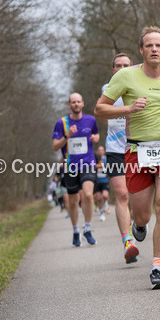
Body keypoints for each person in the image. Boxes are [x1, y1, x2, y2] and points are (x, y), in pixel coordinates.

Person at [96, 27, 160, 289]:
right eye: (149, 45)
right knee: (141, 215)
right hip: (136, 150)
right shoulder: (126, 76)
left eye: (158, 45)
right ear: (141, 50)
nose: (154, 49)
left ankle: (157, 267)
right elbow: (100, 108)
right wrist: (128, 108)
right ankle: (138, 226)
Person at [102, 53, 139, 263]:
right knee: (122, 194)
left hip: (137, 146)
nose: (122, 68)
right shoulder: (107, 90)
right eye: (118, 65)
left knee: (136, 194)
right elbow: (105, 111)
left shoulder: (142, 85)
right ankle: (127, 242)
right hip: (115, 149)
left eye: (126, 65)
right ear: (113, 69)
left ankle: (138, 223)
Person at [52, 93, 99, 247]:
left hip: (88, 163)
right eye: (73, 102)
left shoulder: (90, 120)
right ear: (69, 105)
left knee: (87, 194)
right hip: (70, 166)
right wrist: (67, 136)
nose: (76, 104)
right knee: (73, 201)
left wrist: (96, 138)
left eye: (78, 101)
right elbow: (55, 146)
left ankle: (87, 228)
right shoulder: (62, 123)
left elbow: (96, 134)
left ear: (83, 103)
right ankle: (75, 231)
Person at [93, 146, 111, 221]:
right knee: (98, 198)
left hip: (105, 180)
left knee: (105, 195)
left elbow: (110, 168)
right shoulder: (95, 159)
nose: (100, 151)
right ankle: (101, 211)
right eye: (99, 150)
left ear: (103, 151)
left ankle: (106, 203)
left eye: (102, 150)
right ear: (97, 151)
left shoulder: (106, 159)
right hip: (97, 181)